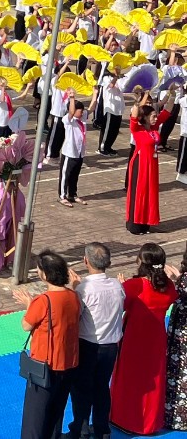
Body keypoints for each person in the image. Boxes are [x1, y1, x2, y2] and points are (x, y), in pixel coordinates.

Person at [16, 249, 80, 439]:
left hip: (45, 365)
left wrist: (29, 305)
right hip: (68, 362)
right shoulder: (73, 296)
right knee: (56, 411)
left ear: (45, 274)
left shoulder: (43, 301)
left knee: (34, 417)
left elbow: (26, 325)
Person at [111, 242, 173, 435]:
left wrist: (123, 285)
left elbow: (120, 305)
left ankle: (126, 420)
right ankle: (150, 423)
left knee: (129, 378)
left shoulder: (134, 286)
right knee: (154, 378)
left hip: (134, 338)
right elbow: (170, 296)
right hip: (156, 340)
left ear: (140, 261)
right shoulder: (167, 286)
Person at [70, 242, 124, 439]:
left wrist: (75, 288)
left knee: (81, 389)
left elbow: (76, 316)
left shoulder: (84, 289)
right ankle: (102, 430)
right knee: (101, 387)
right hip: (110, 346)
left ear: (86, 261)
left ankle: (81, 430)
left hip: (88, 346)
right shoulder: (117, 286)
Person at [125, 91, 164, 234]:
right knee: (139, 193)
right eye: (153, 116)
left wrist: (172, 93)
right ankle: (135, 225)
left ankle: (146, 223)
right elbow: (134, 117)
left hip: (152, 164)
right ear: (146, 117)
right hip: (140, 164)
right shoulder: (137, 129)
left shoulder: (153, 128)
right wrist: (138, 102)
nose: (156, 118)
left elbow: (167, 112)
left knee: (150, 193)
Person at [165, 244, 187, 429]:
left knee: (179, 369)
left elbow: (177, 299)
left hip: (182, 333)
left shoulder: (184, 280)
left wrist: (176, 281)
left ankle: (178, 417)